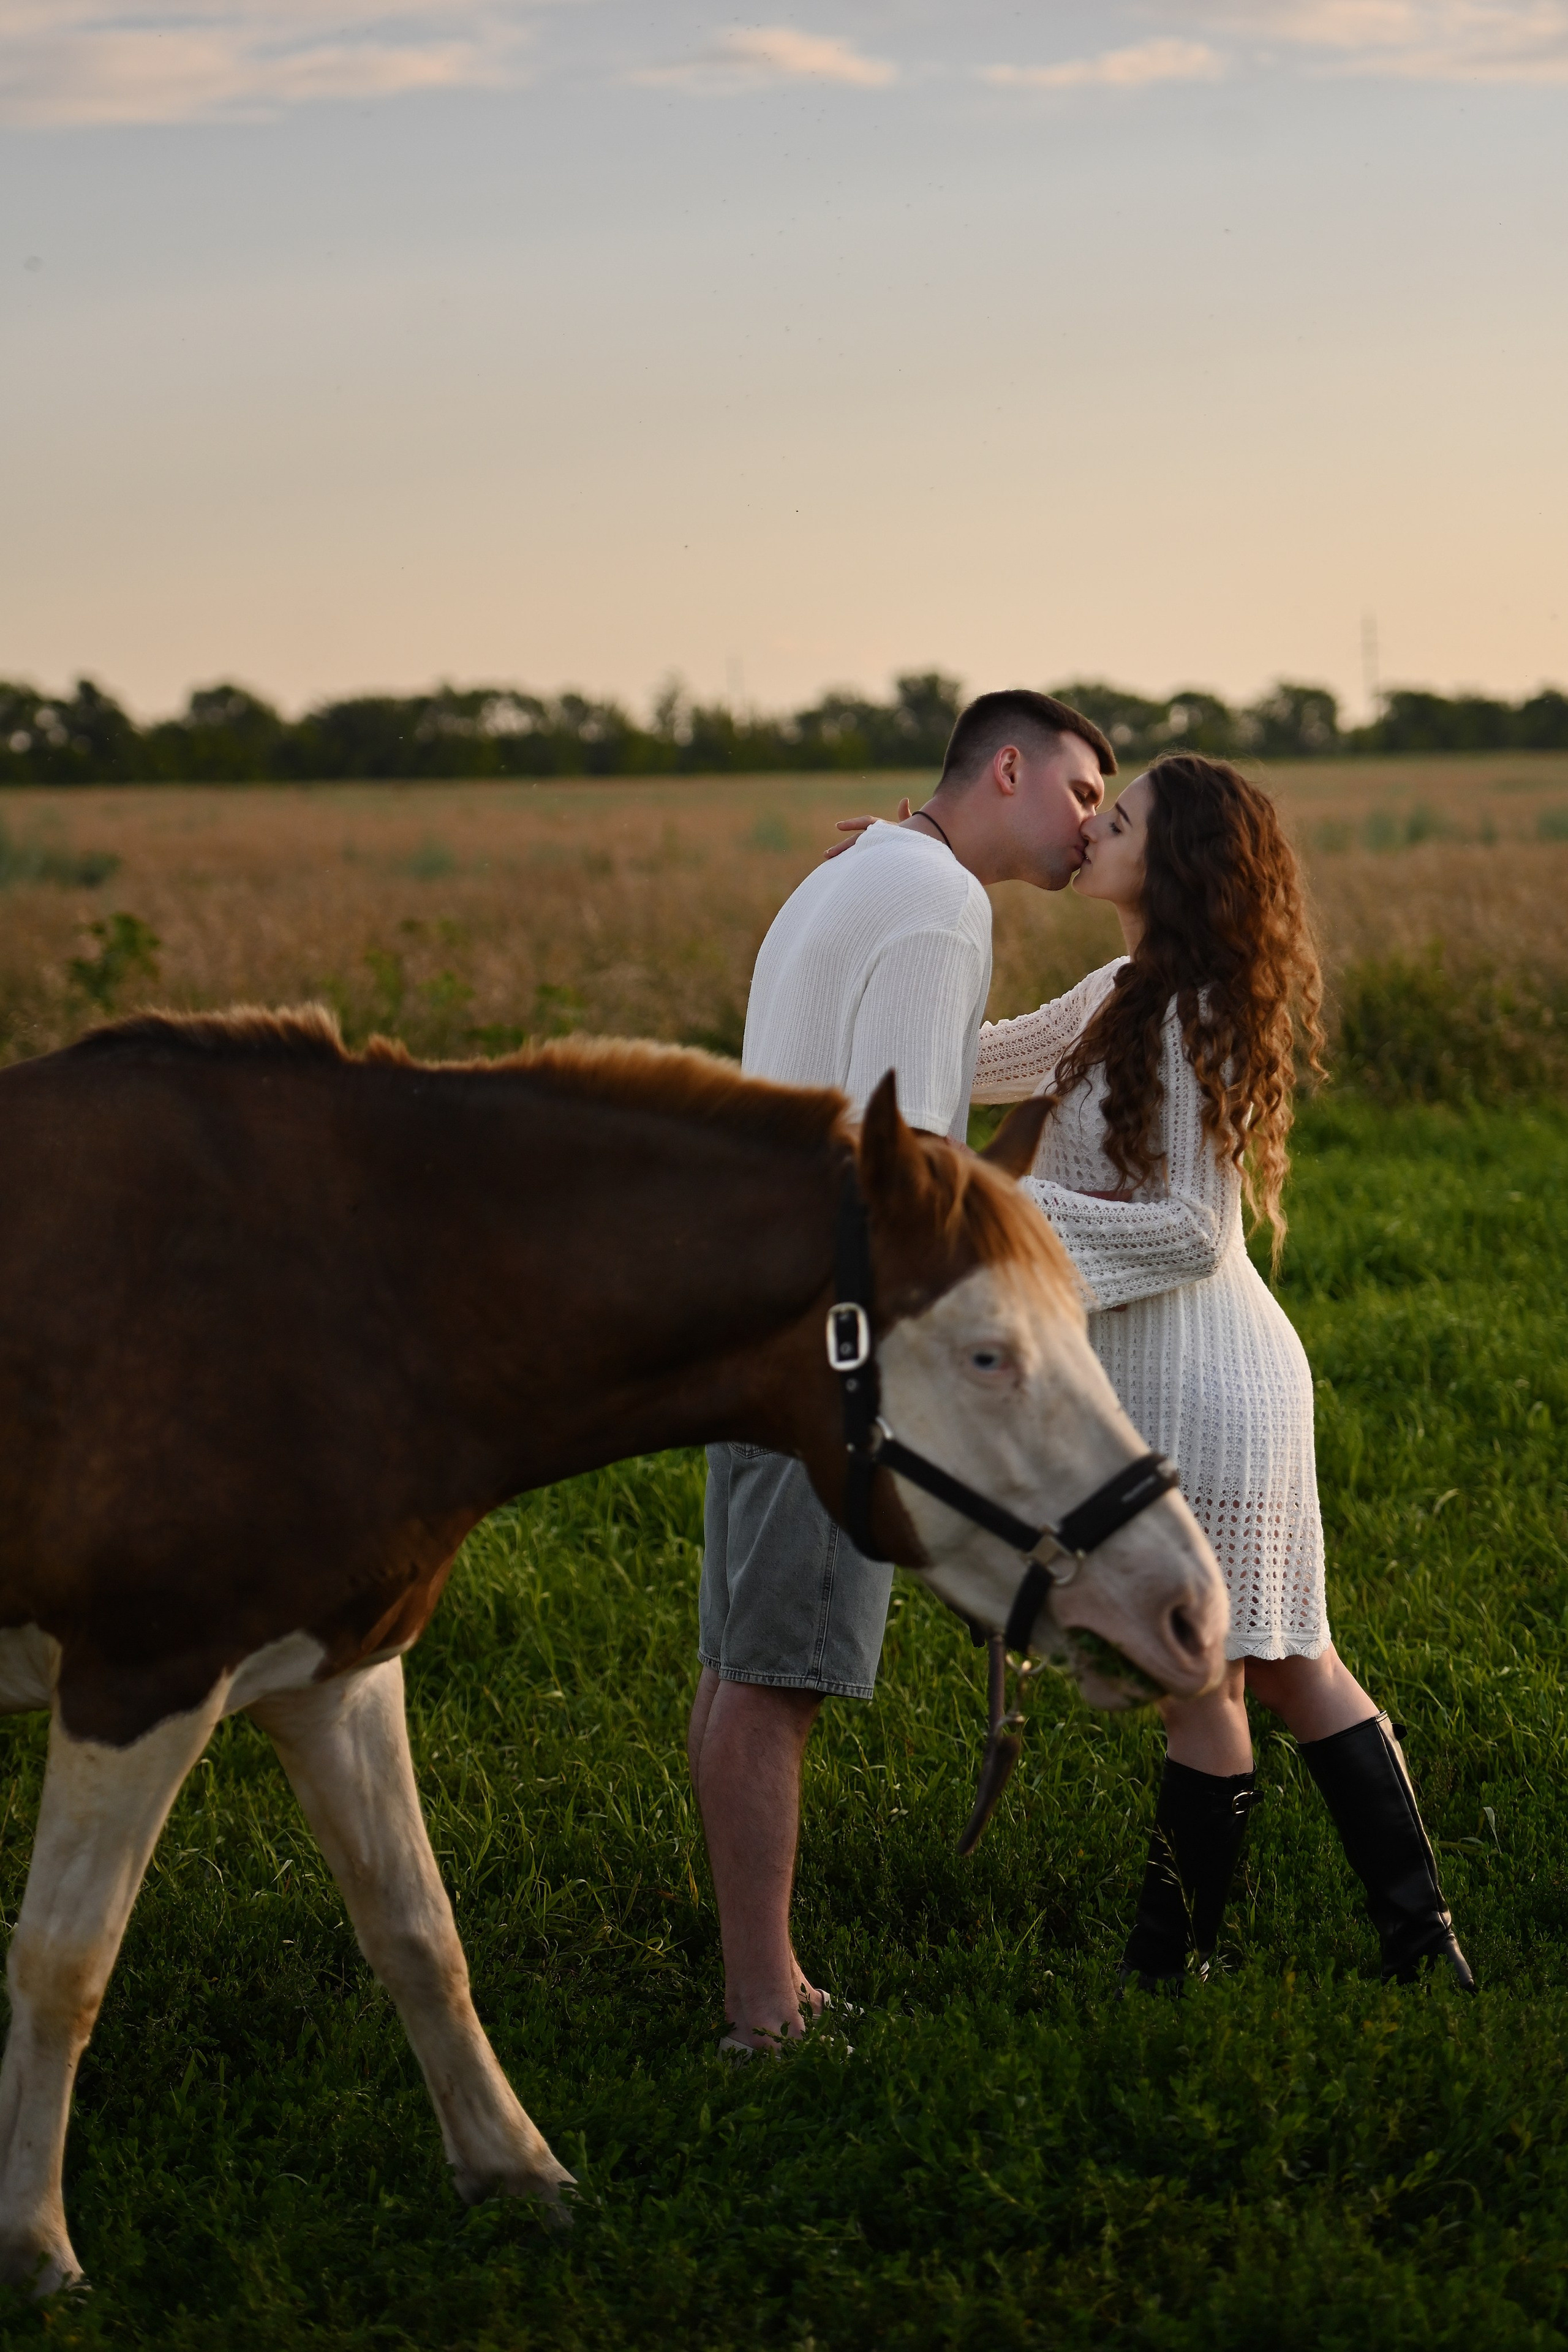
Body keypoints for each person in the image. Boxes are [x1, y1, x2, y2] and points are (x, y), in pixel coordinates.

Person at [967, 752, 1472, 1989]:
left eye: (1119, 818)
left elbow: (1190, 1231)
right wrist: (901, 886)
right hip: (1176, 1379)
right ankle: (1422, 1953)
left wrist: (1018, 1214)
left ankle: (1165, 1973)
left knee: (1216, 1676)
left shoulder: (1191, 1012)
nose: (1091, 830)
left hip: (1209, 1385)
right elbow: (973, 1063)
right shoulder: (1116, 989)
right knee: (1292, 1664)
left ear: (1175, 860)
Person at [690, 688, 1115, 2054]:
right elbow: (907, 1162)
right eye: (1079, 796)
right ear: (1006, 768)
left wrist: (1088, 1025)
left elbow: (909, 1073)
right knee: (778, 1677)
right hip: (831, 1335)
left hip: (756, 1307)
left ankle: (771, 1978)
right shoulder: (939, 909)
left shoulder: (863, 877)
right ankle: (762, 2010)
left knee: (737, 1663)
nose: (1087, 830)